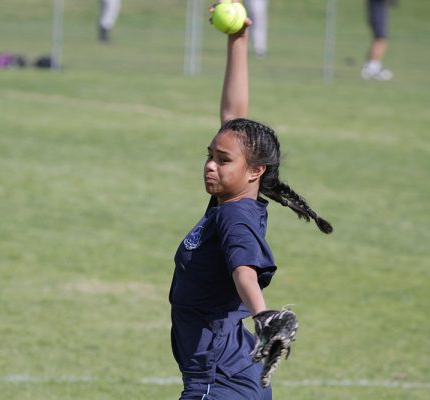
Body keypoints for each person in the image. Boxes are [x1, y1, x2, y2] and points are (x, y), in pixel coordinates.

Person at [169, 2, 333, 399]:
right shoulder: (229, 199)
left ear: (255, 170)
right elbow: (233, 116)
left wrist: (262, 315)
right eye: (209, 154)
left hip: (216, 381)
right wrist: (238, 40)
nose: (210, 165)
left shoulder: (235, 217)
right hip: (231, 368)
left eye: (222, 160)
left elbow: (244, 268)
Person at [361, 0, 395, 81]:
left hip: (377, 13)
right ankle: (372, 69)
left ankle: (370, 67)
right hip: (377, 14)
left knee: (379, 39)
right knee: (381, 39)